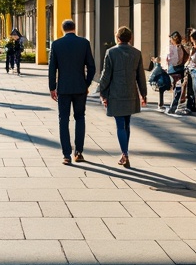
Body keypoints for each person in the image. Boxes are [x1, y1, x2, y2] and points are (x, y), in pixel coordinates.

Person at [47, 18, 96, 165]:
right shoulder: (84, 43)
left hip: (63, 88)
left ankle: (66, 155)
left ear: (63, 29)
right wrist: (85, 83)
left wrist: (52, 87)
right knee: (80, 118)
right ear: (75, 28)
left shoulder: (56, 44)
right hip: (80, 88)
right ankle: (79, 152)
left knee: (63, 119)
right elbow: (92, 67)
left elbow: (52, 69)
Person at [98, 26, 148, 168]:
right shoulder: (136, 53)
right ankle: (124, 153)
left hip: (116, 93)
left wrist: (102, 91)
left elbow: (106, 75)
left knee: (120, 124)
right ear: (130, 38)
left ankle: (125, 154)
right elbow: (141, 76)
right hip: (131, 93)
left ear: (117, 38)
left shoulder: (111, 52)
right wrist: (143, 94)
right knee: (127, 123)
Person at [166, 30, 196, 115]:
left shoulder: (174, 48)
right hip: (181, 69)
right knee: (179, 88)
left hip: (174, 70)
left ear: (173, 39)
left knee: (177, 88)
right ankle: (178, 105)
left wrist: (169, 60)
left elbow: (175, 61)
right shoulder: (183, 47)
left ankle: (174, 106)